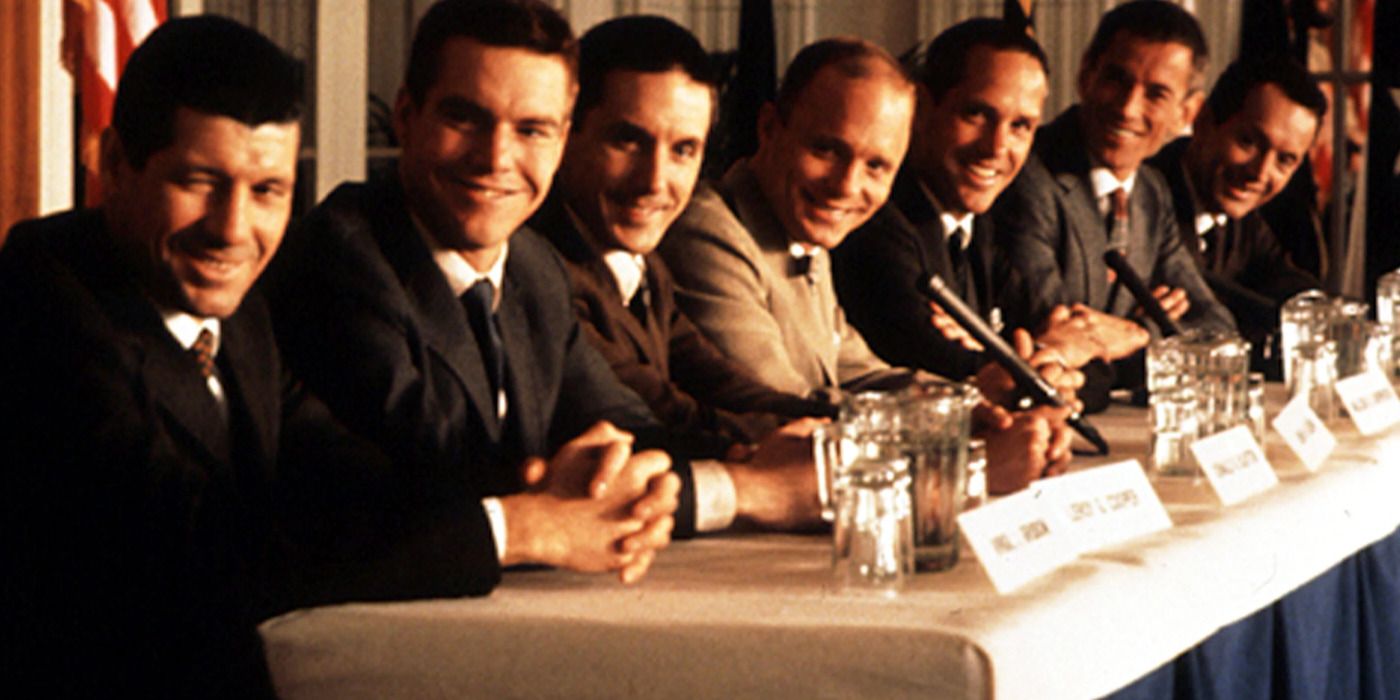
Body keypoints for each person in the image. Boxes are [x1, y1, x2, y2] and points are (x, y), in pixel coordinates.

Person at [0, 16, 676, 698]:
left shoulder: (237, 311)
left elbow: (349, 470)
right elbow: (198, 545)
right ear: (115, 163)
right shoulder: (38, 302)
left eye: (267, 191)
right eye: (200, 182)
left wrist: (554, 491)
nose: (234, 231)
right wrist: (519, 527)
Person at [267, 0, 820, 535]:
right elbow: (446, 478)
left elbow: (625, 431)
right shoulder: (341, 255)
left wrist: (756, 457)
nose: (495, 159)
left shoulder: (532, 265)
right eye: (466, 118)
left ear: (561, 138)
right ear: (406, 117)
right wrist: (743, 490)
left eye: (531, 130)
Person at [660, 38, 1072, 493]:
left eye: (876, 165)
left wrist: (981, 401)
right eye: (826, 150)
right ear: (769, 127)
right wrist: (963, 442)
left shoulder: (802, 227)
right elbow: (782, 407)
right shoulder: (707, 228)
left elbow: (860, 372)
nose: (846, 186)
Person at [536, 16, 829, 451]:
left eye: (683, 150)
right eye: (628, 141)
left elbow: (724, 384)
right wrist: (828, 440)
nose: (655, 181)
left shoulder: (647, 267)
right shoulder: (542, 271)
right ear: (567, 133)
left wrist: (861, 423)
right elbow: (667, 417)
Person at [833, 18, 1141, 406]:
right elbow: (942, 369)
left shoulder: (986, 223)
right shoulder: (876, 221)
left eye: (1020, 127)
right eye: (977, 114)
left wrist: (1041, 356)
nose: (997, 147)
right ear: (923, 108)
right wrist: (1045, 356)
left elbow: (1097, 375)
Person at [993, 0, 1236, 407]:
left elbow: (1218, 334)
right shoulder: (1030, 176)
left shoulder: (1152, 192)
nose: (1127, 108)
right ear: (1085, 74)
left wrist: (1134, 335)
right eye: (1116, 79)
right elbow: (1055, 344)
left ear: (1187, 112)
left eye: (1156, 94)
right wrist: (1147, 333)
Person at [1148, 57, 1324, 375]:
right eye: (1248, 141)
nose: (1260, 172)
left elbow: (1287, 285)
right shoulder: (1147, 197)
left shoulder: (1242, 216)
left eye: (1284, 160)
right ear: (1203, 122)